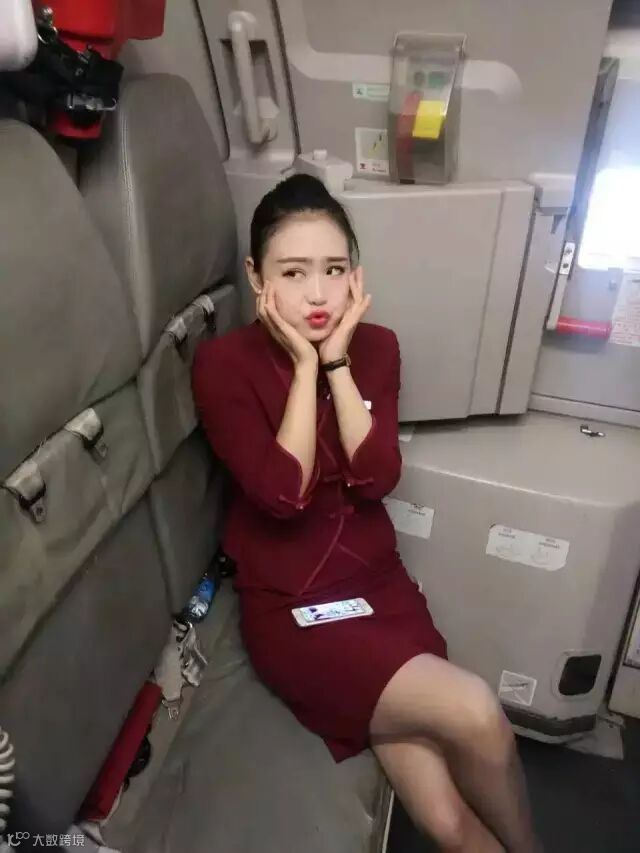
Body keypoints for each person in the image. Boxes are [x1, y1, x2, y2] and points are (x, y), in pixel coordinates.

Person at [192, 174, 540, 853]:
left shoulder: (377, 347)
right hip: (295, 609)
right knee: (475, 711)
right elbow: (285, 495)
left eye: (334, 269)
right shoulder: (222, 365)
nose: (319, 294)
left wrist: (337, 364)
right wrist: (303, 369)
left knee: (447, 822)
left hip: (378, 587)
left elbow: (376, 477)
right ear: (257, 278)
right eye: (294, 272)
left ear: (356, 275)